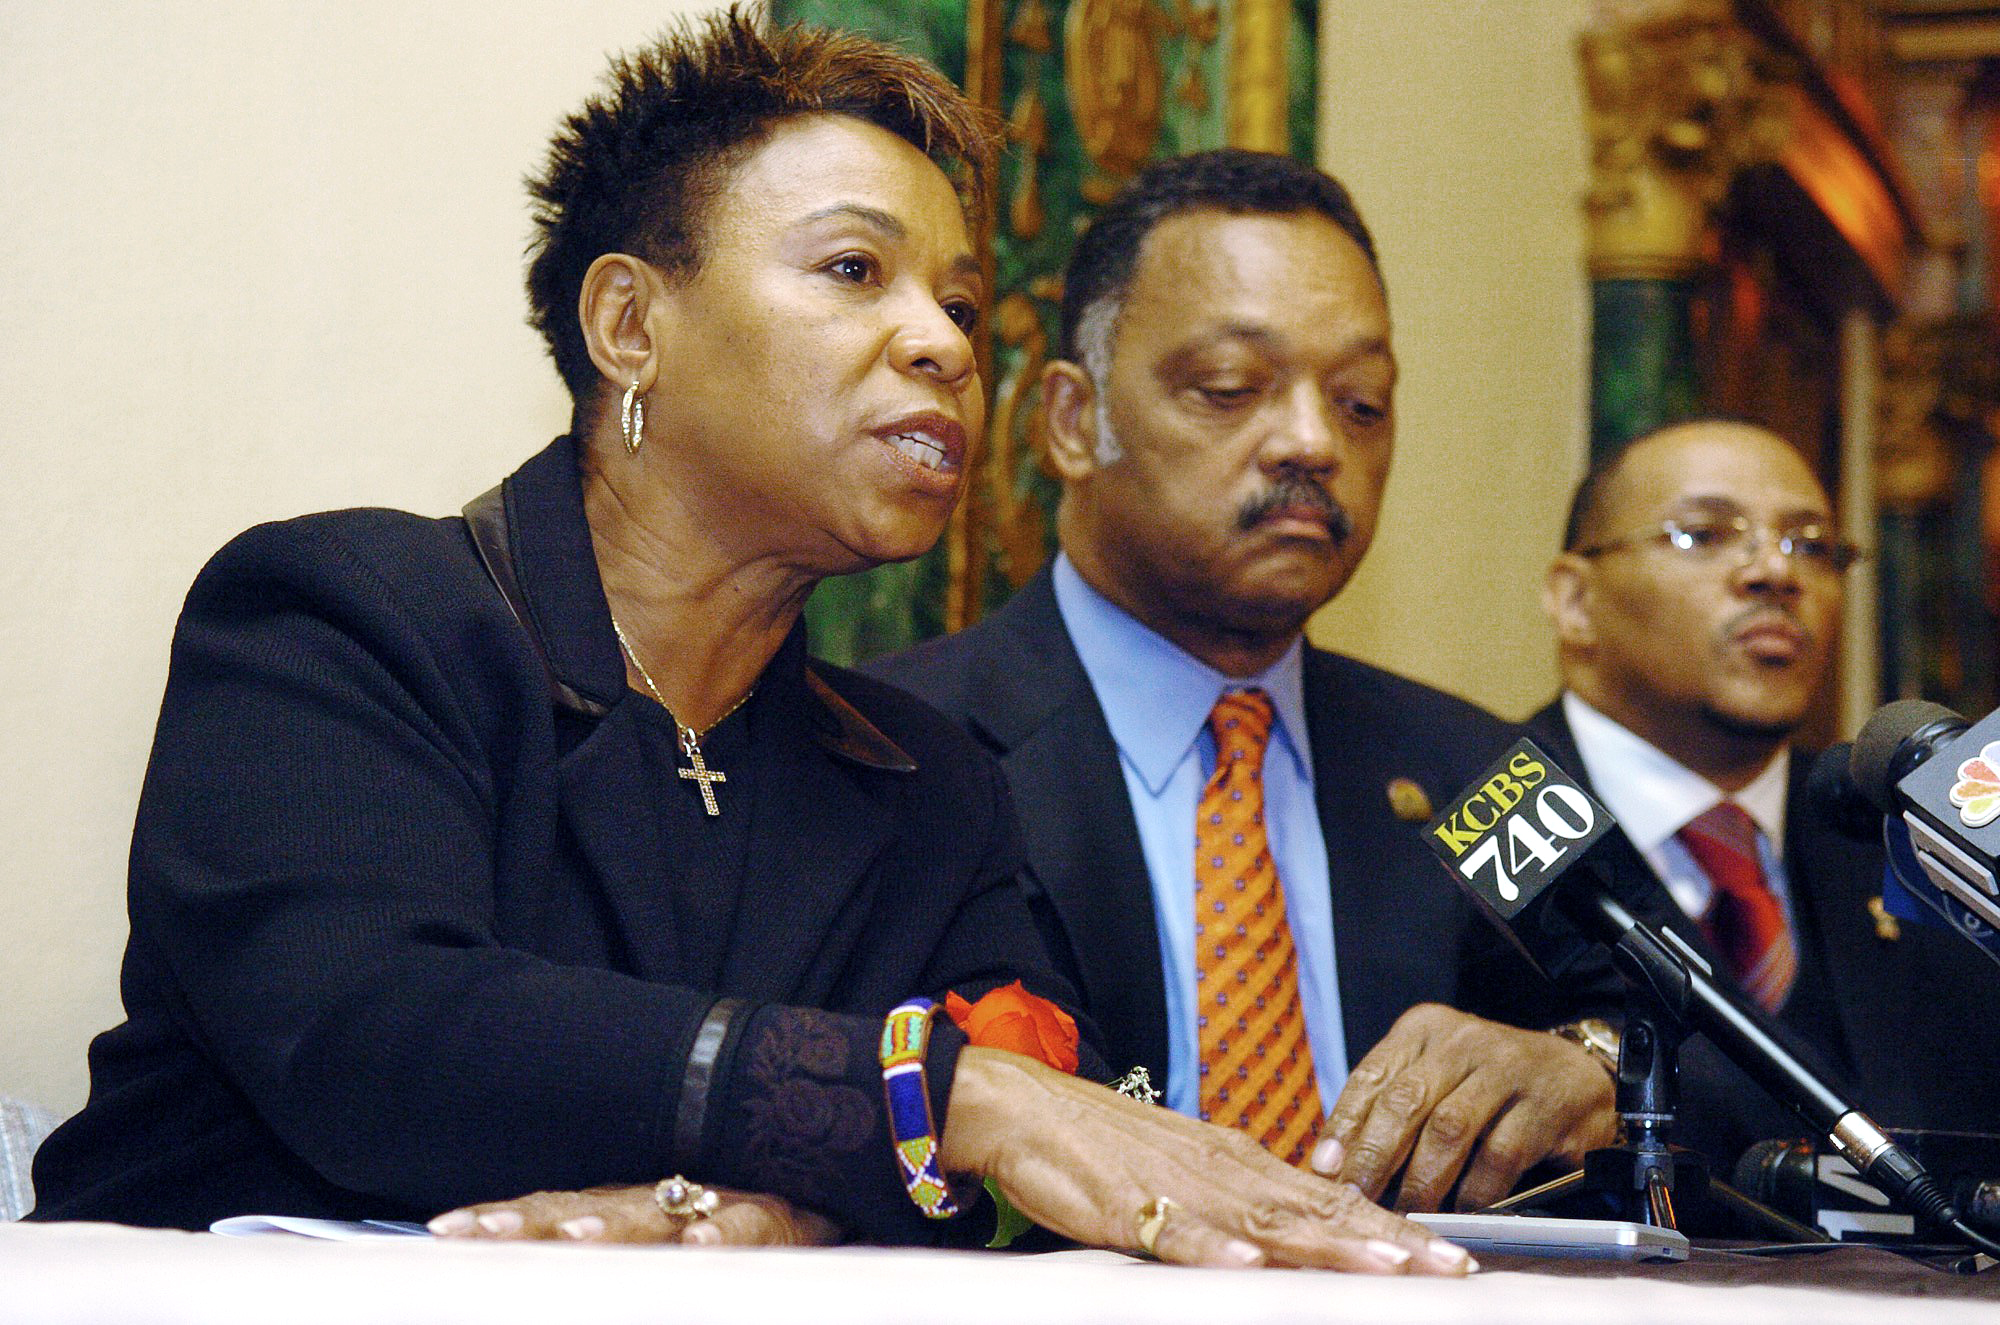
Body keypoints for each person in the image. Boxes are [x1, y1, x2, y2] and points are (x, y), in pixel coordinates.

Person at [26, 13, 1472, 1274]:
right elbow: (376, 1033)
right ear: (629, 324)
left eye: (961, 303)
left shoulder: (930, 781)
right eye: (857, 272)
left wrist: (806, 1207)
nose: (946, 344)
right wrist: (935, 1101)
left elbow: (1067, 1122)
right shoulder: (343, 616)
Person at [871, 150, 1621, 1215]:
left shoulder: (1475, 772)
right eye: (1230, 388)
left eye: (1360, 403)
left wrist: (1583, 1065)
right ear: (1073, 423)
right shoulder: (893, 746)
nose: (1313, 441)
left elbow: (1722, 1054)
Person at [1526, 416, 2000, 1165]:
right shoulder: (1480, 809)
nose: (1777, 573)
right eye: (1704, 534)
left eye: (1811, 545)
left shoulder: (1904, 833)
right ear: (1575, 601)